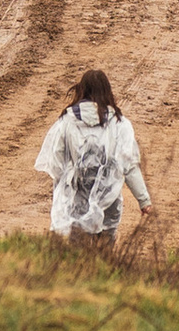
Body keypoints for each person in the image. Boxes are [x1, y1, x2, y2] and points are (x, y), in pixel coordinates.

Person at [35, 67, 153, 243]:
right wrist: (144, 200)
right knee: (105, 247)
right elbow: (129, 165)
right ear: (108, 92)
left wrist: (65, 188)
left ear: (81, 90)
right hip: (108, 199)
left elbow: (57, 161)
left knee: (77, 247)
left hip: (78, 196)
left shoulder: (67, 121)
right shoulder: (119, 123)